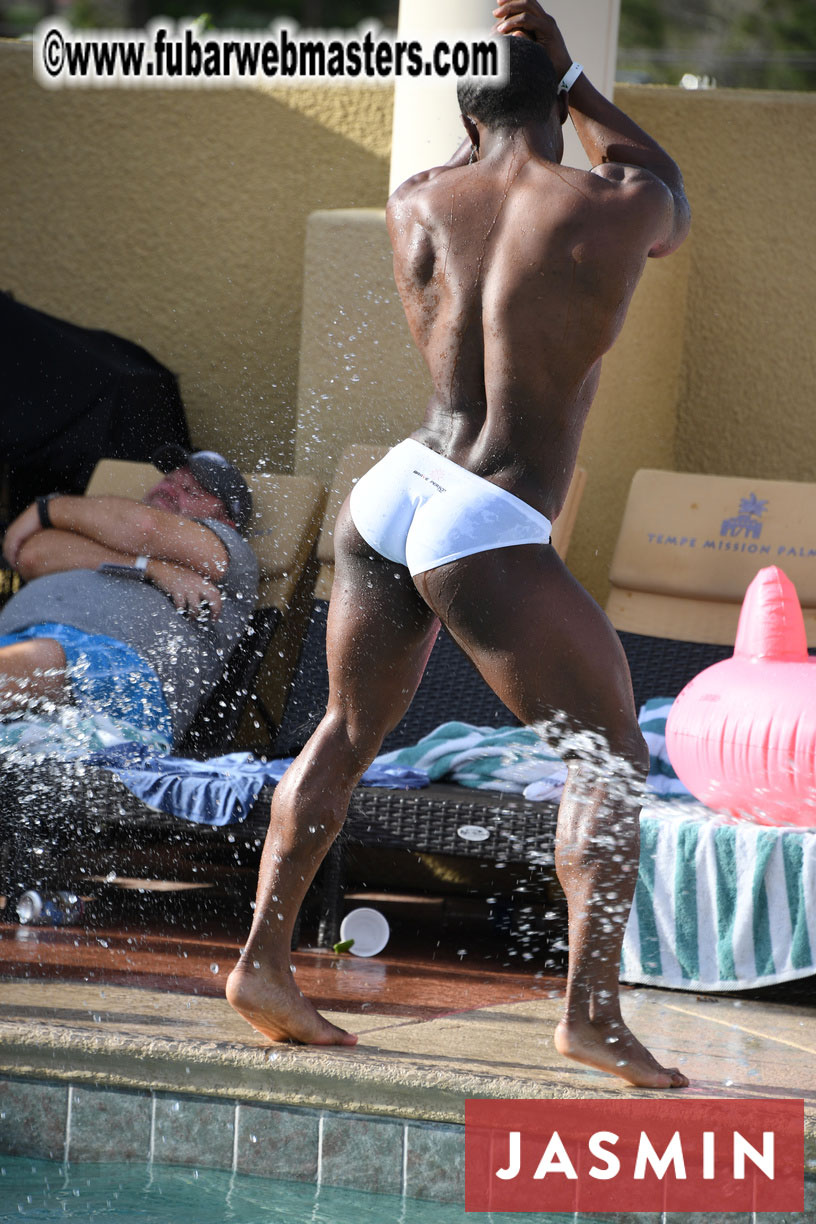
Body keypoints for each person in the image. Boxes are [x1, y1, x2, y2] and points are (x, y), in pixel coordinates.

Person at [227, 0, 691, 1089]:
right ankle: (591, 1017)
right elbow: (666, 188)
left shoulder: (418, 198)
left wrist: (500, 88)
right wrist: (573, 80)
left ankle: (263, 964)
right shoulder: (608, 205)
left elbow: (477, 144)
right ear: (555, 106)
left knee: (346, 728)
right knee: (609, 758)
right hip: (487, 513)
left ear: (465, 115)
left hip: (397, 486)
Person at [0, 447, 258, 749]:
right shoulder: (112, 532)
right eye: (170, 479)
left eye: (192, 491)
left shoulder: (231, 554)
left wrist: (45, 509)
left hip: (116, 673)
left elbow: (145, 527)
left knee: (43, 658)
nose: (172, 488)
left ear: (226, 521)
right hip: (23, 657)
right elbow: (33, 554)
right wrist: (149, 568)